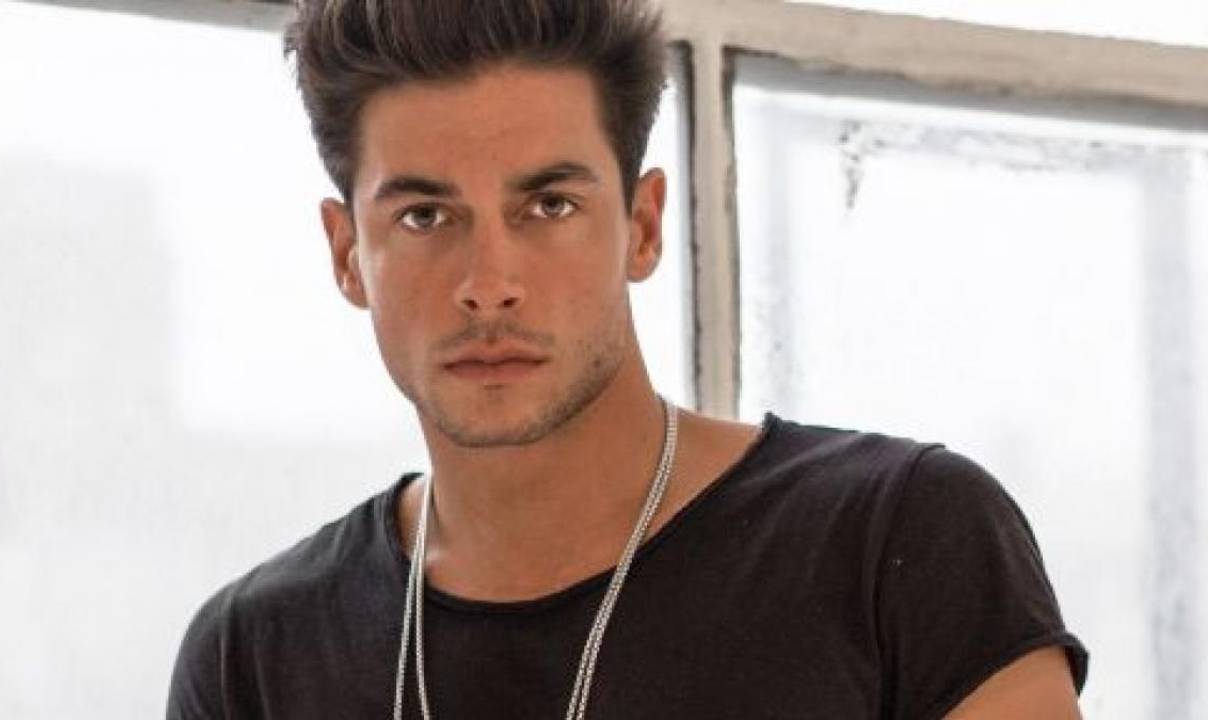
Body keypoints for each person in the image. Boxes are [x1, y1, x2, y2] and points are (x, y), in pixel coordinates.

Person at [166, 1, 1088, 717]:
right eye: (425, 216)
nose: (489, 284)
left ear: (642, 226)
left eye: (549, 206)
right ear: (346, 255)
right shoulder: (253, 657)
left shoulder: (896, 539)